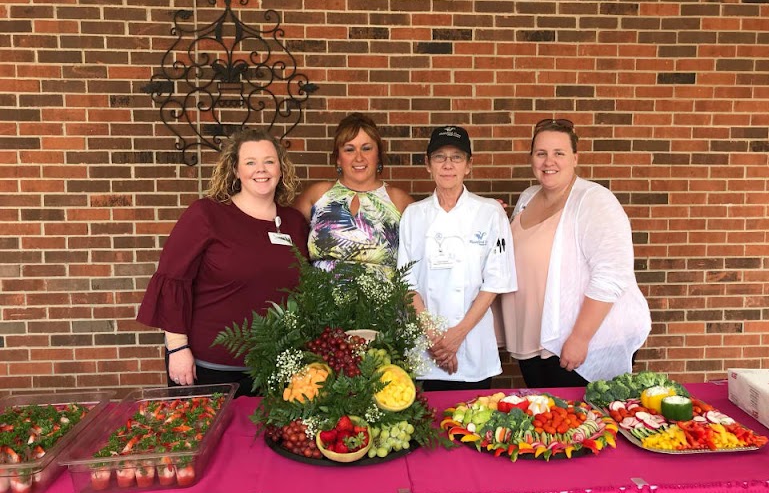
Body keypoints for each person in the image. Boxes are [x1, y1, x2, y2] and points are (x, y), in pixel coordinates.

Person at [137, 128, 309, 396]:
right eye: (250, 162)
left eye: (269, 161)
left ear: (281, 168)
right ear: (236, 170)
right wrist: (177, 348)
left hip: (276, 368)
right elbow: (173, 280)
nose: (260, 170)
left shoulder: (295, 223)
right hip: (209, 366)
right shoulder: (206, 215)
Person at [498, 118, 651, 388]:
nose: (549, 162)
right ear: (531, 158)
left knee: (581, 424)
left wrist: (580, 338)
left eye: (559, 153)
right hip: (532, 337)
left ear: (575, 158)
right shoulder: (528, 196)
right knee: (547, 420)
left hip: (578, 341)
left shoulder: (594, 200)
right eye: (541, 153)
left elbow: (612, 275)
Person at [397, 126, 517, 391]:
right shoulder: (413, 215)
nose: (448, 165)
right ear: (428, 165)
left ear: (469, 165)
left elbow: (495, 281)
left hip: (473, 344)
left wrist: (456, 336)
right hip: (428, 350)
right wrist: (434, 338)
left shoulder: (490, 213)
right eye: (440, 157)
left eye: (457, 157)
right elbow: (407, 284)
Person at [292, 113, 414, 278]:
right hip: (320, 303)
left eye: (366, 148)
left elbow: (420, 258)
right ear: (338, 159)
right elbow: (288, 247)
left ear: (378, 155)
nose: (359, 157)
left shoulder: (399, 200)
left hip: (384, 303)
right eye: (349, 149)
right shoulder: (317, 196)